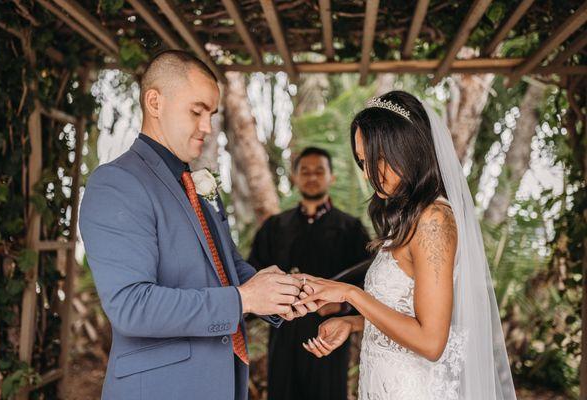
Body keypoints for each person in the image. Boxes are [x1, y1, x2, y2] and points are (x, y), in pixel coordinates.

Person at [79, 50, 312, 400]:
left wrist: (278, 293)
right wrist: (243, 300)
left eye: (212, 114)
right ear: (154, 102)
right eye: (196, 111)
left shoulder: (195, 181)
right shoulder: (117, 183)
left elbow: (227, 266)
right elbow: (132, 306)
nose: (207, 126)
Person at [296, 91, 517, 399]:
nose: (369, 174)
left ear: (409, 148)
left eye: (378, 159)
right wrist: (352, 322)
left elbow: (431, 341)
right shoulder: (408, 217)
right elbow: (409, 314)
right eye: (362, 161)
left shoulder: (434, 220)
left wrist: (350, 294)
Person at [248, 147, 371, 400]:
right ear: (294, 177)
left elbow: (367, 281)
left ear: (331, 177)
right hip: (283, 334)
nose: (312, 177)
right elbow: (254, 274)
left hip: (327, 334)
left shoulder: (351, 229)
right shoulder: (275, 227)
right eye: (305, 171)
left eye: (319, 171)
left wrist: (341, 308)